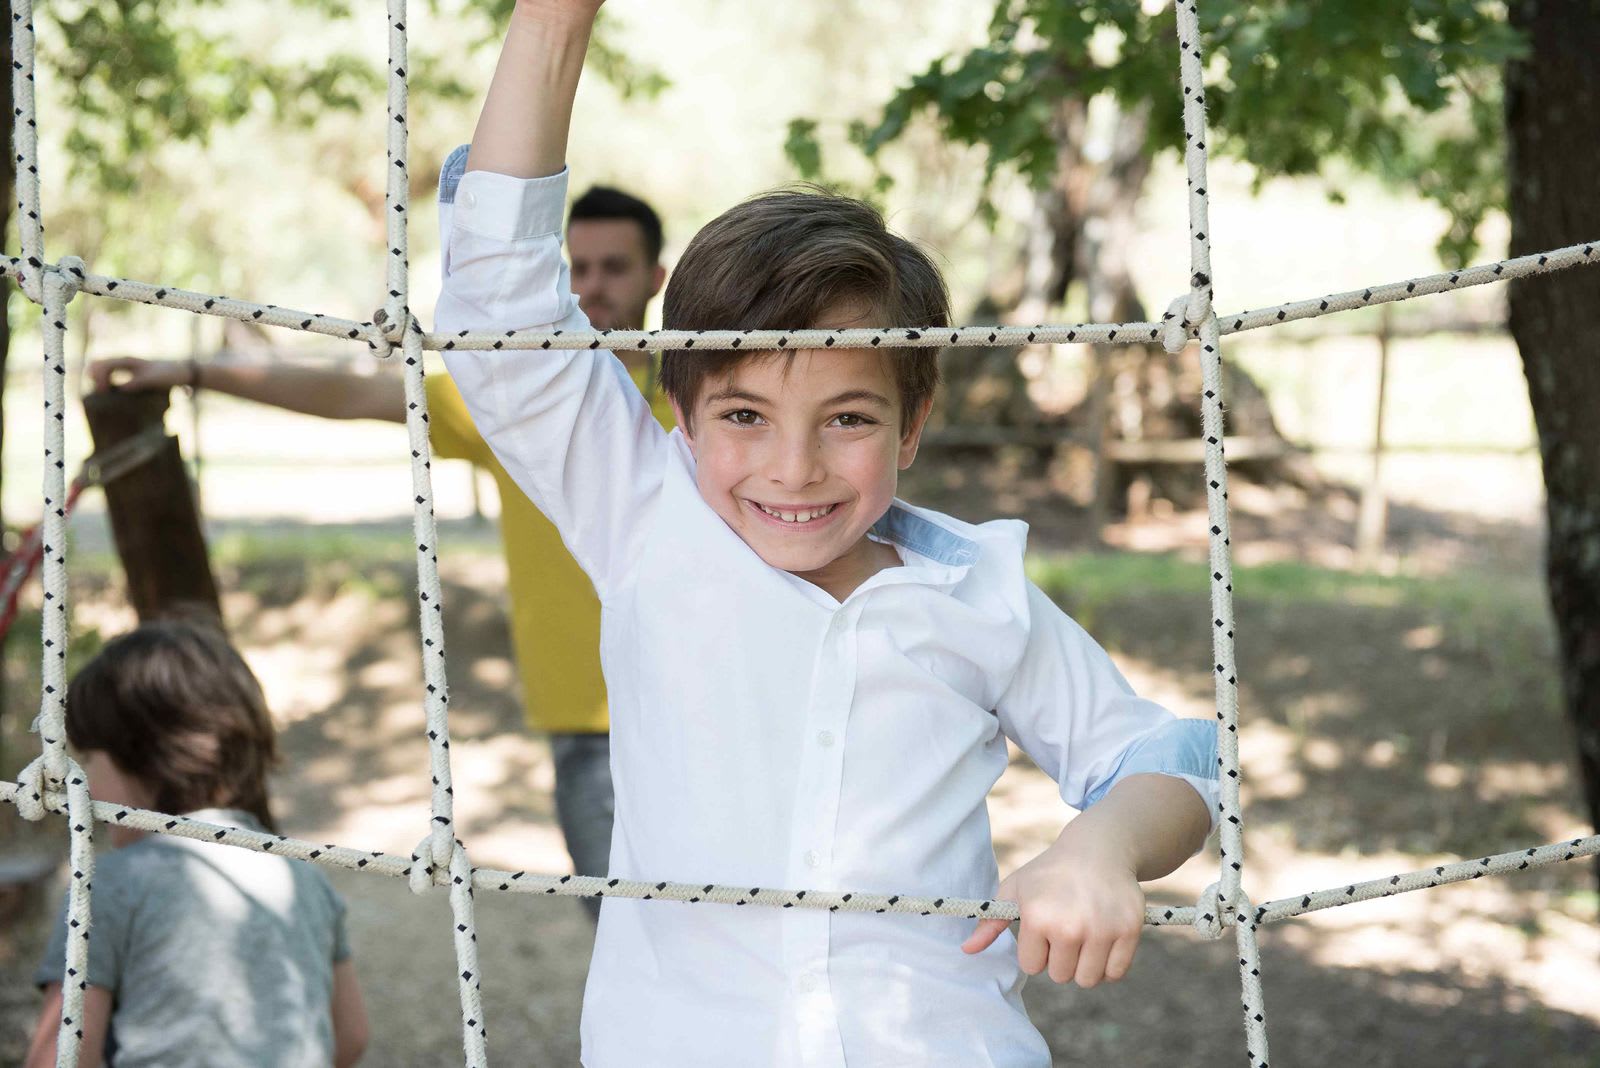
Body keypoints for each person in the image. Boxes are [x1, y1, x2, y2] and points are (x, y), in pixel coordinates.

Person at [432, 2, 1220, 1064]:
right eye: (744, 417)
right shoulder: (648, 517)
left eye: (847, 418)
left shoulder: (972, 591)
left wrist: (1102, 846)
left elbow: (1167, 756)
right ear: (678, 413)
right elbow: (497, 305)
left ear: (913, 424)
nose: (792, 469)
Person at [88, 183, 676, 919]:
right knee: (627, 931)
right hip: (586, 732)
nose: (592, 287)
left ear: (655, 278)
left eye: (614, 268)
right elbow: (351, 393)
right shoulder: (525, 405)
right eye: (577, 269)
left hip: (696, 705)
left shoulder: (697, 400)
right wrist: (189, 372)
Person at [24, 618, 369, 1068]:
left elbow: (59, 1058)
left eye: (89, 758)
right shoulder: (302, 873)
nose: (82, 782)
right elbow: (352, 1037)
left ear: (145, 756)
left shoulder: (104, 888)